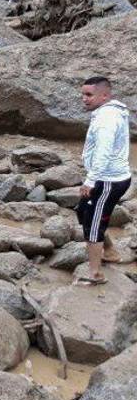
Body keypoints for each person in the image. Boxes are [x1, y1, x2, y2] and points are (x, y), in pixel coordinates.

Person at [77, 77, 132, 285]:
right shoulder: (108, 112)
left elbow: (104, 152)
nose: (84, 99)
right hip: (108, 176)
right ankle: (109, 251)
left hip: (108, 180)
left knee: (92, 224)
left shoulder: (106, 119)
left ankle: (95, 274)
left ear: (105, 96)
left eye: (89, 95)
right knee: (83, 211)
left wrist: (90, 181)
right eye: (83, 94)